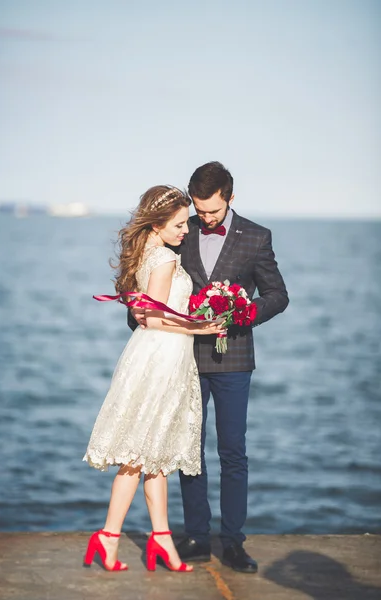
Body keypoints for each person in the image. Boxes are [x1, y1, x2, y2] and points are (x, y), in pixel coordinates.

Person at [131, 162, 289, 573]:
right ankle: (197, 536)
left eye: (212, 212)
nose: (204, 219)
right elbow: (154, 283)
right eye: (200, 211)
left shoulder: (257, 237)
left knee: (233, 452)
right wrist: (139, 314)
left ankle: (233, 542)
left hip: (235, 359)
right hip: (184, 356)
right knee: (189, 451)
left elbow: (277, 295)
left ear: (230, 198)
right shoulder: (181, 230)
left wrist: (243, 313)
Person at [83, 185, 224, 573]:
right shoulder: (162, 258)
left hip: (153, 354)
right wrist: (203, 328)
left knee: (154, 457)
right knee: (136, 455)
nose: (185, 230)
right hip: (161, 358)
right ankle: (109, 536)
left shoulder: (144, 250)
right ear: (158, 223)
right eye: (178, 224)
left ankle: (160, 540)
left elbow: (149, 315)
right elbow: (159, 320)